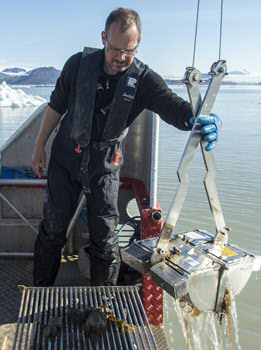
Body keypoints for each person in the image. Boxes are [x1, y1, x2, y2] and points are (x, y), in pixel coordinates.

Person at [32, 7, 221, 287]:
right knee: (53, 230)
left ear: (138, 44)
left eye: (128, 51)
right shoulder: (77, 64)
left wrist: (197, 119)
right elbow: (56, 106)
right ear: (103, 37)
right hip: (65, 158)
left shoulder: (144, 79)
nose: (121, 57)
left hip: (105, 166)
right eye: (115, 48)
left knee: (106, 240)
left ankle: (102, 306)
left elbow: (172, 106)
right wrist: (39, 147)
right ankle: (40, 290)